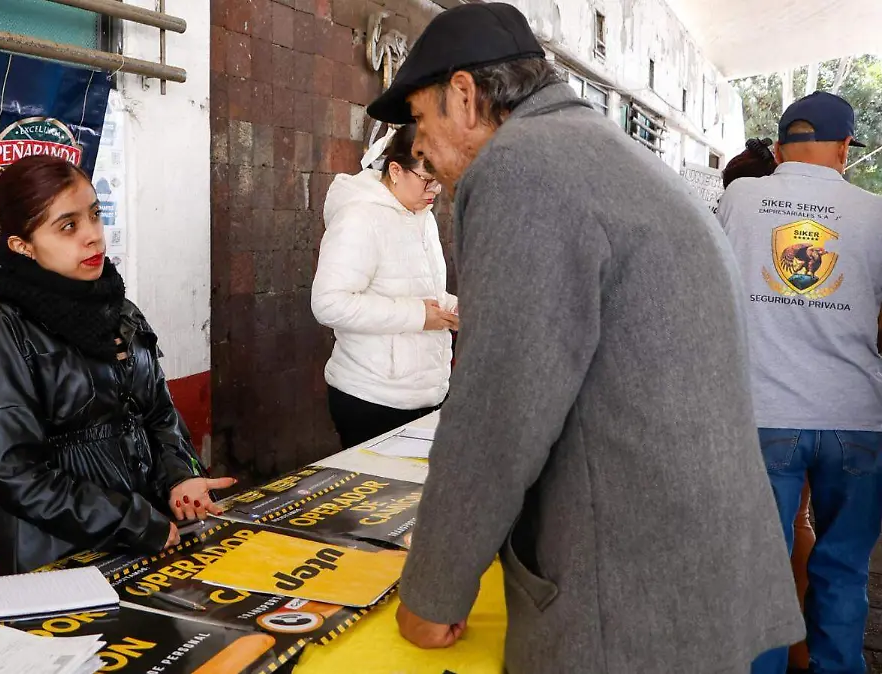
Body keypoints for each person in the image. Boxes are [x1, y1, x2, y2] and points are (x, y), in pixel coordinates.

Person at [365, 4, 803, 672]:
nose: (417, 146)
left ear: (464, 96)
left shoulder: (520, 170)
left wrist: (434, 590)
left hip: (631, 598)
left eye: (421, 121)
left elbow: (500, 405)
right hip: (692, 569)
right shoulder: (601, 151)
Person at [0, 155, 235, 575]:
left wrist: (179, 479)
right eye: (68, 226)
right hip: (62, 560)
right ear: (22, 245)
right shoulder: (0, 329)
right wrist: (131, 519)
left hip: (151, 537)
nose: (94, 237)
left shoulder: (120, 309)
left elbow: (159, 415)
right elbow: (17, 474)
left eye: (95, 215)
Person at [718, 91, 882, 674]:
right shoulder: (875, 211)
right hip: (856, 418)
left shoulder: (740, 199)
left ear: (782, 144)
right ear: (843, 148)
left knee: (759, 573)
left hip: (763, 414)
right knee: (844, 570)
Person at [722, 137, 815, 674]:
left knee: (769, 534)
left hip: (759, 404)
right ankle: (801, 649)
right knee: (796, 525)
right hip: (812, 403)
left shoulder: (738, 232)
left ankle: (773, 651)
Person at [311, 123, 458, 449]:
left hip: (426, 391)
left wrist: (450, 307)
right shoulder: (360, 218)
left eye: (441, 179)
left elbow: (418, 291)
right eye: (426, 178)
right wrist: (418, 316)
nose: (434, 189)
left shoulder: (423, 217)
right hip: (373, 397)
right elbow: (328, 303)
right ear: (395, 170)